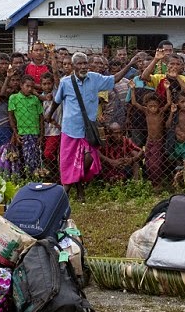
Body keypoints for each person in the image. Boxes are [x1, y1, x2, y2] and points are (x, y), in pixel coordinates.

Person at [50, 52, 136, 201]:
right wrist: (49, 114)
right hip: (70, 129)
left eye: (85, 63)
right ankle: (76, 193)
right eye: (80, 64)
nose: (83, 66)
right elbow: (57, 100)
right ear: (73, 66)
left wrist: (130, 64)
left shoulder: (95, 78)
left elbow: (115, 79)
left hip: (88, 130)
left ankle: (68, 190)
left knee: (88, 159)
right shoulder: (65, 82)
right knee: (70, 162)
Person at [9, 75, 44, 175]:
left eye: (32, 87)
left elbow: (41, 117)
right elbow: (11, 117)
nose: (29, 89)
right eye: (27, 86)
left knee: (32, 159)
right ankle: (24, 179)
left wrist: (41, 135)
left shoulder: (35, 99)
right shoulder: (14, 98)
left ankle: (33, 178)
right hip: (21, 132)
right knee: (18, 160)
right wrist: (15, 133)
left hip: (34, 132)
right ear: (21, 85)